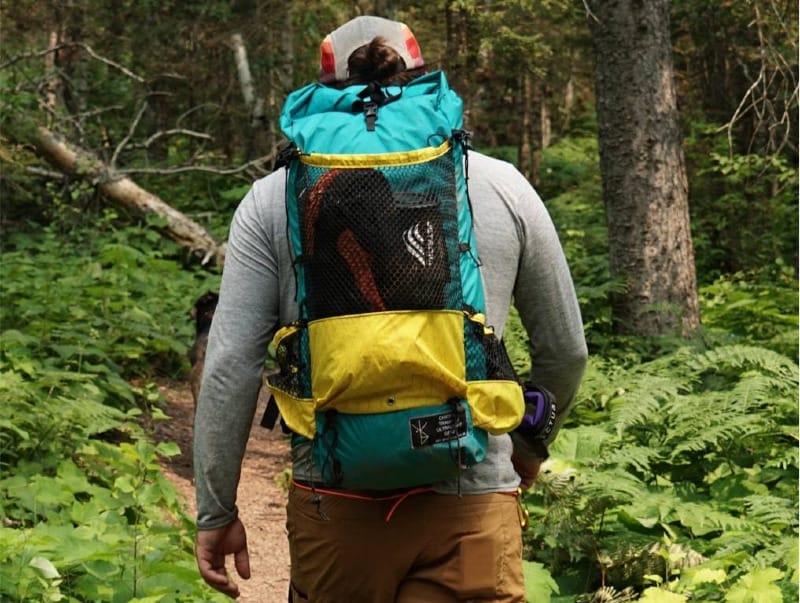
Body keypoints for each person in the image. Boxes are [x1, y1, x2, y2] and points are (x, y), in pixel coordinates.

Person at [193, 15, 587, 602]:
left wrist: (216, 509)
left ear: (325, 90)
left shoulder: (274, 199)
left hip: (337, 508)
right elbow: (567, 352)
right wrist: (526, 449)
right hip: (474, 503)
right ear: (419, 77)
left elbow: (229, 367)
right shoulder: (501, 185)